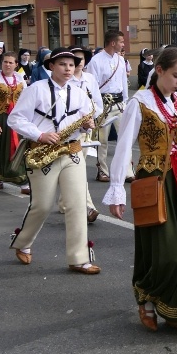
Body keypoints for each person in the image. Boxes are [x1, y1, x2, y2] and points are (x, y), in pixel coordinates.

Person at [103, 47, 177, 333]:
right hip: (153, 181)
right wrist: (117, 188)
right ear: (159, 70)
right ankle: (145, 299)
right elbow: (123, 148)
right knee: (163, 251)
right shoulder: (140, 102)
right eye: (176, 76)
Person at [7, 47, 100, 274]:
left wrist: (89, 124)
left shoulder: (79, 92)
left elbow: (88, 117)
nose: (68, 68)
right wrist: (40, 135)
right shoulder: (35, 90)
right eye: (62, 64)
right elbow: (15, 118)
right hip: (43, 151)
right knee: (42, 205)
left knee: (77, 204)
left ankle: (79, 258)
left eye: (72, 64)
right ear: (51, 67)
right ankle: (23, 242)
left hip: (72, 151)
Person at [86, 30, 135, 183]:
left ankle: (127, 171)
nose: (123, 44)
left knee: (125, 138)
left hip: (119, 103)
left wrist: (125, 102)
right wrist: (95, 108)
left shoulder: (121, 60)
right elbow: (92, 86)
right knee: (103, 140)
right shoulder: (96, 61)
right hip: (103, 104)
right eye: (121, 42)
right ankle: (102, 170)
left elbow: (123, 83)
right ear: (113, 43)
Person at [64, 46, 103, 223]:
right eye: (76, 59)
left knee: (76, 166)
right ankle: (88, 207)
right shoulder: (64, 80)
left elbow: (98, 102)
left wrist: (91, 118)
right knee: (77, 170)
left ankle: (63, 202)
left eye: (82, 59)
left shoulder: (90, 78)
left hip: (87, 128)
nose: (79, 62)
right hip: (70, 131)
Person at [0, 52, 29, 192]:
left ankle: (22, 180)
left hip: (18, 119)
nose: (7, 64)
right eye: (5, 62)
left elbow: (27, 100)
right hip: (1, 117)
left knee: (19, 147)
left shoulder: (20, 79)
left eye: (10, 62)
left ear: (16, 64)